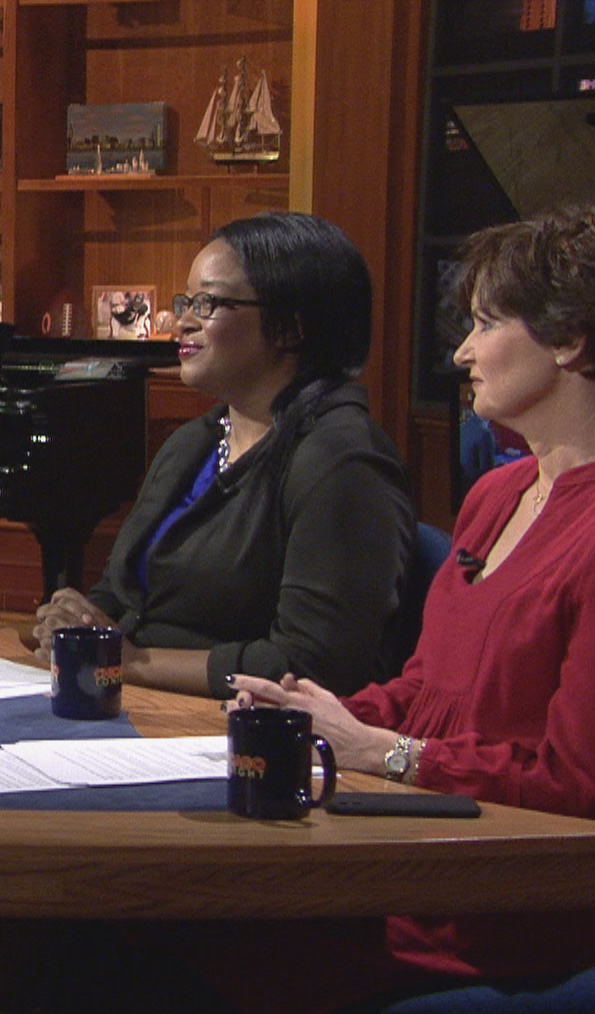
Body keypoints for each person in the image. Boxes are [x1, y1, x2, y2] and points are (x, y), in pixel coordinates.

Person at [216, 203, 595, 1014]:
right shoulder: (499, 490)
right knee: (147, 916)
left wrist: (382, 753)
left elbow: (578, 790)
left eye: (485, 323)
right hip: (427, 842)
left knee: (181, 927)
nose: (461, 352)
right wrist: (325, 713)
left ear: (571, 340)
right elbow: (427, 687)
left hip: (512, 895)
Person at [33, 212, 414, 697]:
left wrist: (132, 662)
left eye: (208, 303)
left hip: (245, 730)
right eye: (186, 300)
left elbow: (312, 665)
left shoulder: (344, 463)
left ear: (290, 327)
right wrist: (77, 621)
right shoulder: (195, 440)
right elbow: (122, 591)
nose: (183, 321)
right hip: (136, 699)